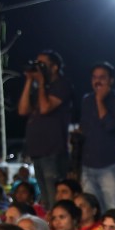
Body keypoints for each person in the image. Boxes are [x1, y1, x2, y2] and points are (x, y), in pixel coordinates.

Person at [17, 49, 73, 207]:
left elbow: (45, 108)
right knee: (46, 200)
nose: (38, 67)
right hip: (37, 151)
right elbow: (22, 110)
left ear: (54, 67)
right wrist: (29, 81)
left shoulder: (61, 84)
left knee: (55, 198)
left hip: (52, 151)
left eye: (42, 64)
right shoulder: (40, 88)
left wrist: (41, 83)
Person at [79, 62, 115, 213]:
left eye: (102, 77)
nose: (97, 81)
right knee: (90, 211)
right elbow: (84, 130)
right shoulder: (87, 100)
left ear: (111, 80)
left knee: (112, 210)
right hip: (88, 166)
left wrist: (100, 100)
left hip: (108, 166)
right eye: (94, 77)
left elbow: (109, 125)